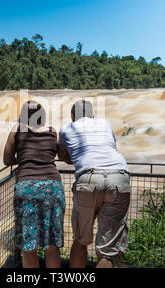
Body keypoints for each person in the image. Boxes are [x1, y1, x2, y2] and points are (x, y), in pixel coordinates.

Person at [58, 100, 131, 268]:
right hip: (119, 177)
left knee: (81, 240)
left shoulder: (67, 128)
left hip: (88, 179)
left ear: (72, 116)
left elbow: (64, 155)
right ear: (93, 116)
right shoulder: (104, 123)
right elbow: (111, 147)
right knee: (108, 251)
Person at [3, 100, 65, 268]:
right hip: (52, 187)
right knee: (52, 244)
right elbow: (61, 154)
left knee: (29, 246)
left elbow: (7, 160)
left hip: (27, 186)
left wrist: (24, 158)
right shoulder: (53, 131)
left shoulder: (17, 129)